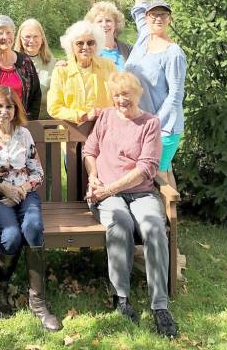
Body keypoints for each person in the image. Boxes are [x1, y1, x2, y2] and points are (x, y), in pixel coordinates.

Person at [83, 71, 178, 338]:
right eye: (116, 95)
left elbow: (146, 168)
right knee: (120, 223)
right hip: (106, 194)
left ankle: (160, 306)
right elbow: (90, 151)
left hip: (138, 192)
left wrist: (108, 188)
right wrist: (93, 177)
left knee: (154, 228)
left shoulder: (150, 123)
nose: (121, 100)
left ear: (137, 94)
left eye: (126, 94)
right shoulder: (106, 117)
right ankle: (121, 298)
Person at [0, 86, 61, 332]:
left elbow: (37, 173)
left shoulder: (24, 135)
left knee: (32, 226)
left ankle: (38, 301)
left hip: (25, 194)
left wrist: (19, 191)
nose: (4, 112)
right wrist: (3, 189)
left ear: (15, 110)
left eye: (9, 107)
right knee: (10, 234)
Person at [125, 0, 187, 190]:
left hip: (164, 127)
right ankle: (166, 223)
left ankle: (166, 222)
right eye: (153, 15)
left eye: (163, 15)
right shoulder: (142, 36)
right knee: (158, 171)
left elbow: (175, 96)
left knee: (157, 173)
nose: (157, 18)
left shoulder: (173, 53)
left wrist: (154, 123)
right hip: (141, 123)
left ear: (169, 19)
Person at [47, 20, 116, 124]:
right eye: (79, 43)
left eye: (90, 43)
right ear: (71, 46)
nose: (85, 47)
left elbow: (118, 96)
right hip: (73, 132)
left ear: (96, 44)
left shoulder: (108, 66)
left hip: (104, 128)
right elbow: (54, 107)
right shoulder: (61, 71)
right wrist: (83, 116)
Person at [14, 18, 56, 119]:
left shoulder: (53, 64)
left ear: (42, 38)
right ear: (20, 39)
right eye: (27, 37)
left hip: (47, 121)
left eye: (35, 36)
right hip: (19, 121)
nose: (31, 41)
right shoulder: (12, 61)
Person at [84, 1, 132, 71]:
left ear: (115, 24)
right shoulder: (87, 50)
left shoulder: (128, 50)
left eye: (108, 20)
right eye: (100, 21)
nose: (104, 25)